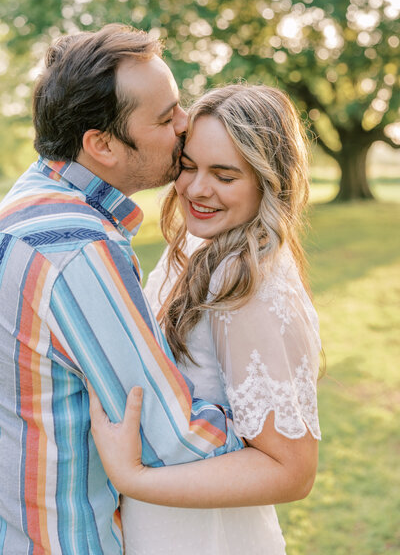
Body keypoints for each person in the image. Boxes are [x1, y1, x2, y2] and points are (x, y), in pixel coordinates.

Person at [0, 25, 245, 555]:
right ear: (102, 144)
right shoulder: (76, 248)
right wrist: (269, 439)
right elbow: (170, 439)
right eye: (165, 117)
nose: (186, 124)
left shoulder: (27, 202)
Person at [89, 84, 322, 555]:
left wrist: (132, 477)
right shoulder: (200, 248)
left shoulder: (247, 281)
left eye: (224, 174)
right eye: (189, 165)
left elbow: (291, 470)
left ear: (267, 180)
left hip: (206, 537)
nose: (197, 189)